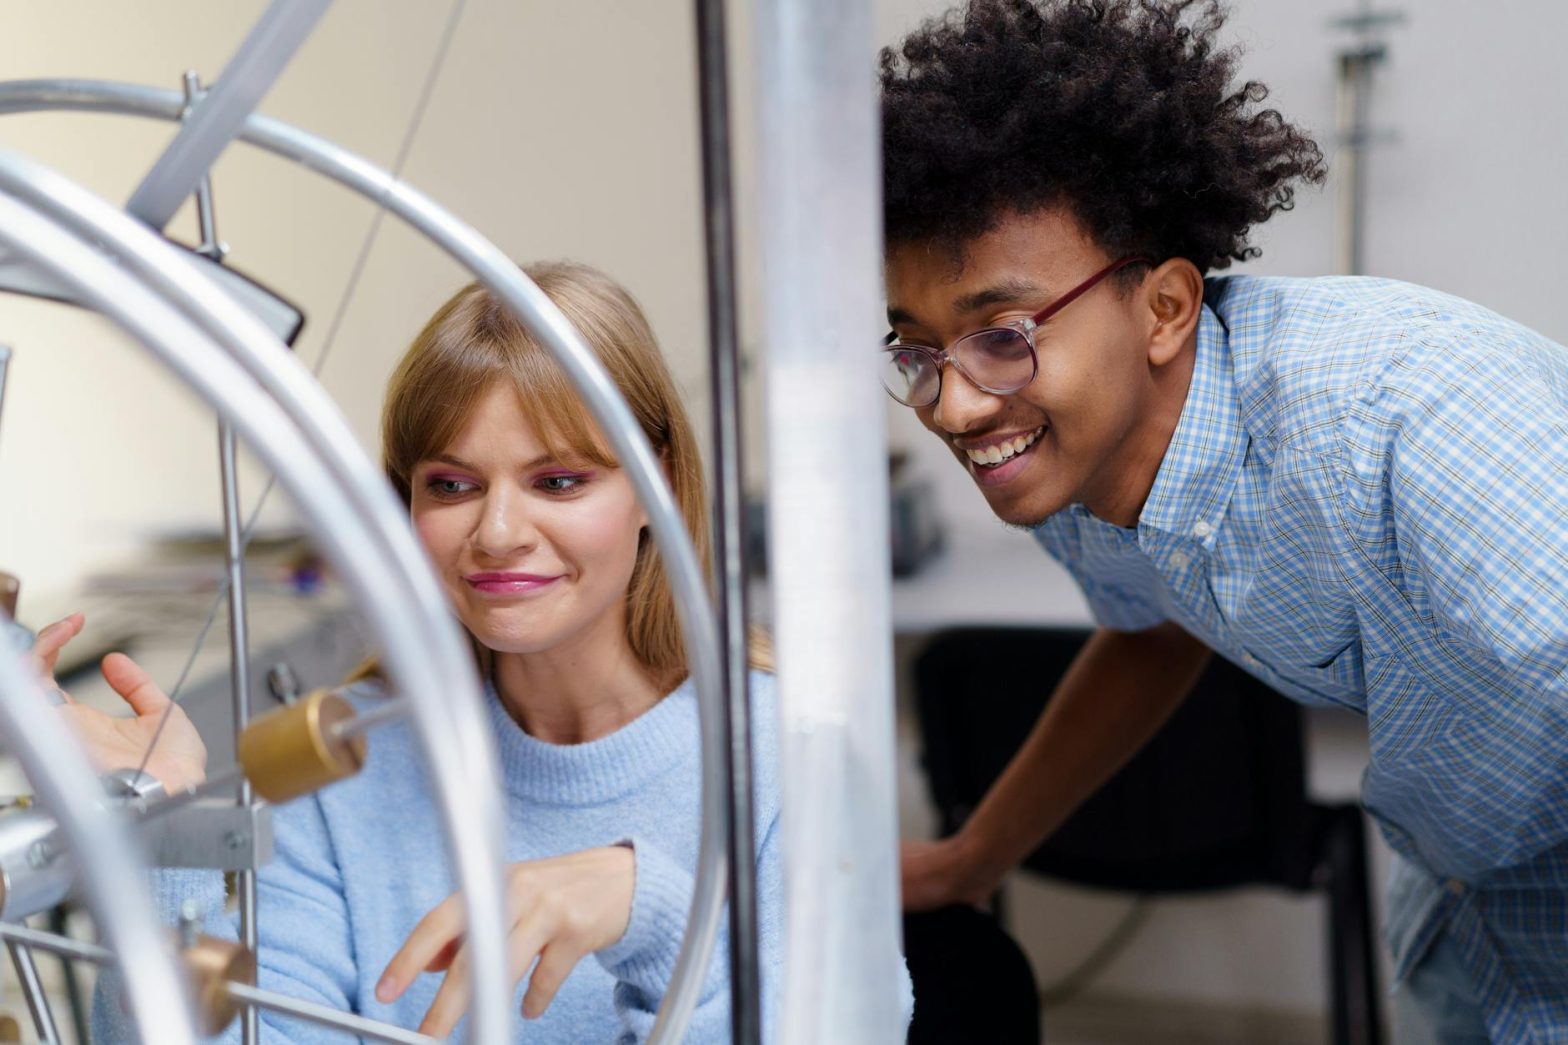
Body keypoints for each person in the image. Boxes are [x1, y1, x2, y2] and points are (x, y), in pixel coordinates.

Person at [879, 2, 1568, 1042]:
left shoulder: (1403, 416)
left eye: (1002, 335)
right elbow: (1151, 629)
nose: (955, 405)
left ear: (1161, 309)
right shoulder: (1070, 465)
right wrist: (972, 858)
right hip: (1472, 921)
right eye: (918, 353)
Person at [39, 260, 837, 1042]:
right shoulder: (344, 761)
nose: (496, 533)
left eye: (558, 480)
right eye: (452, 486)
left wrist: (654, 917)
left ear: (654, 489)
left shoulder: (783, 754)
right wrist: (162, 828)